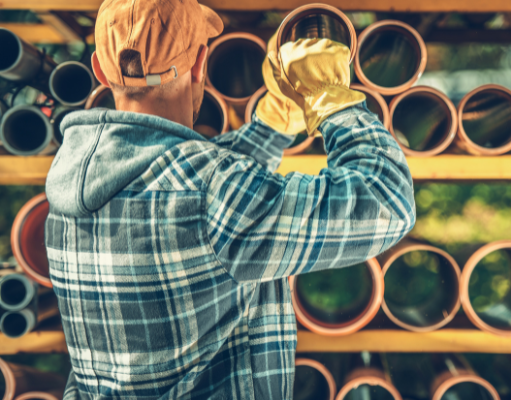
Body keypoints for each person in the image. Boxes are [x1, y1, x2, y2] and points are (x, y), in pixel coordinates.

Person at [43, 0, 415, 398]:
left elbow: (183, 184)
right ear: (201, 63)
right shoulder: (211, 195)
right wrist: (330, 97)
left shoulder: (72, 185)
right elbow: (386, 198)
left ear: (100, 69)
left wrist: (272, 124)